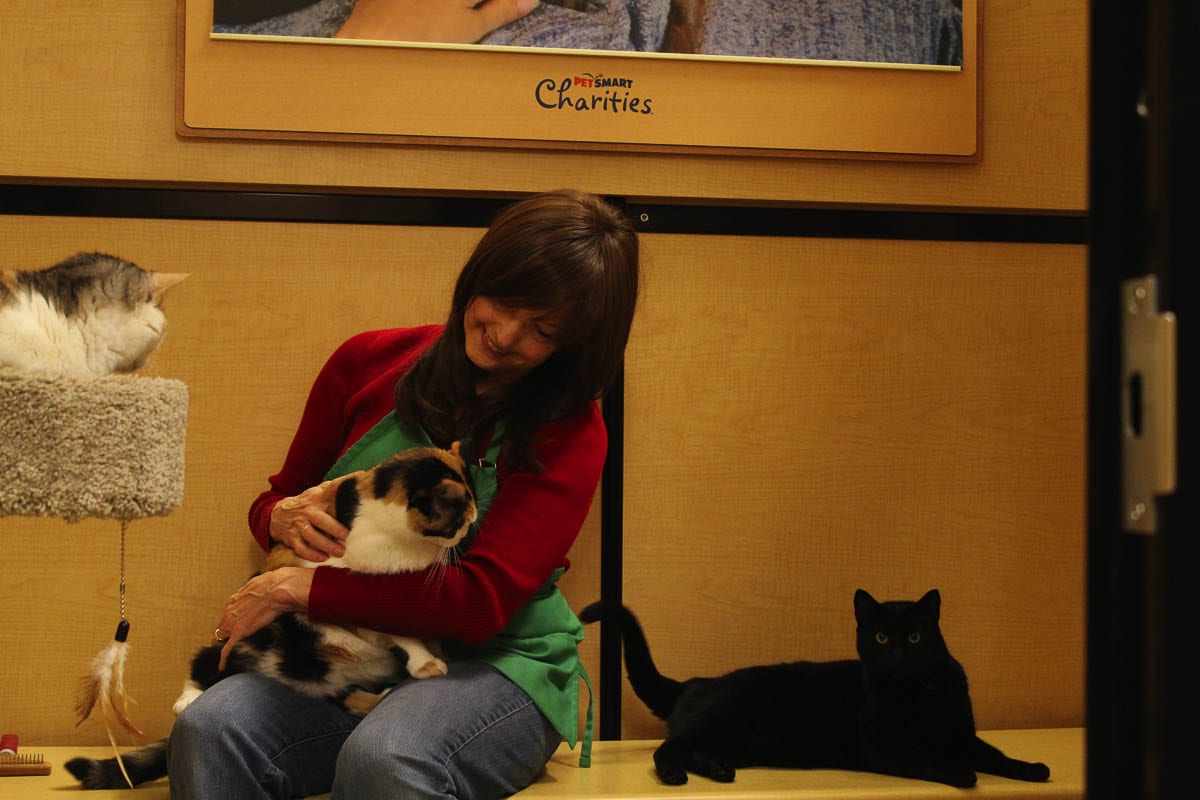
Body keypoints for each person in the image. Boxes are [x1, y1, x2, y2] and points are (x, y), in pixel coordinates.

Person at [167, 189, 640, 799]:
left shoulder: (570, 430)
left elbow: (479, 603)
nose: (504, 334)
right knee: (211, 728)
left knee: (387, 755)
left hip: (495, 660)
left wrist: (296, 586)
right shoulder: (366, 362)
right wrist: (280, 520)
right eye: (502, 302)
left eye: (541, 331)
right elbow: (276, 500)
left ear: (572, 347)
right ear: (479, 275)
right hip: (356, 648)